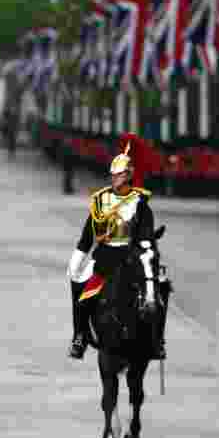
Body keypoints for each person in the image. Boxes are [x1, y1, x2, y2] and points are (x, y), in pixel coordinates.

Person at [66, 143, 169, 361]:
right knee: (83, 292)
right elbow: (89, 233)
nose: (115, 179)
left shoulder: (140, 202)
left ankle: (157, 339)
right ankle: (79, 336)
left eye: (119, 175)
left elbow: (147, 233)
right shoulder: (101, 200)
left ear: (128, 175)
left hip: (132, 255)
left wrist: (143, 247)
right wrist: (79, 255)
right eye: (113, 175)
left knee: (160, 289)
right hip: (105, 256)